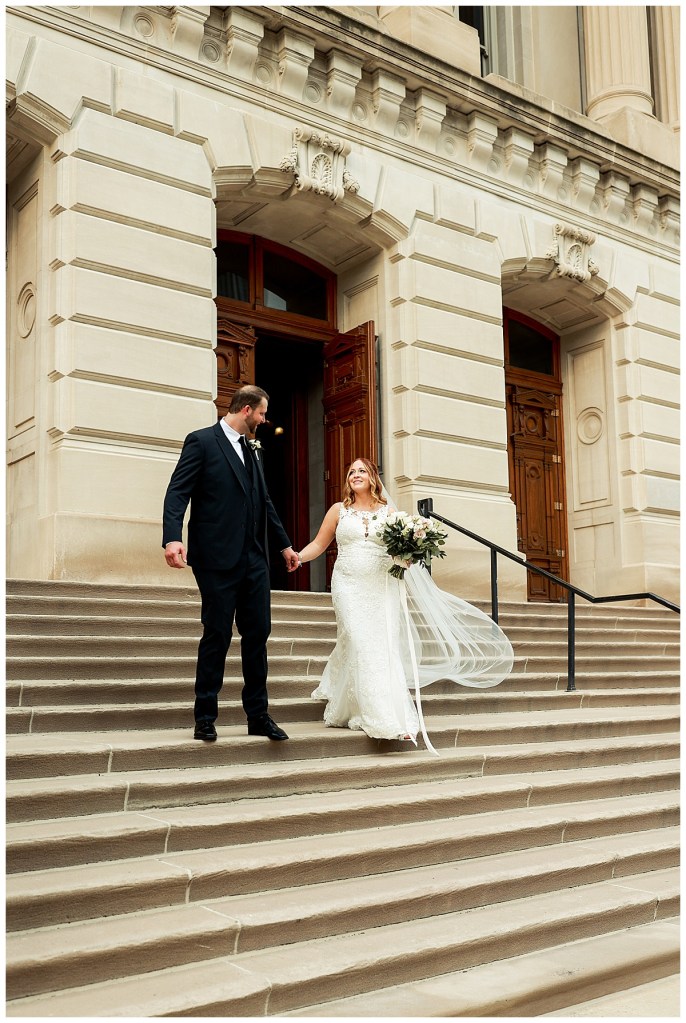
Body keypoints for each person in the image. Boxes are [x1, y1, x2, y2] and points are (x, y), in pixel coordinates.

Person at [296, 458, 514, 750]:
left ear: (373, 478)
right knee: (357, 639)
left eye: (361, 471)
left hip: (381, 584)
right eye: (351, 472)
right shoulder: (338, 510)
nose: (355, 475)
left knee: (380, 645)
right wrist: (299, 557)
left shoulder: (389, 513)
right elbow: (319, 544)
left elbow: (400, 551)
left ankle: (387, 715)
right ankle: (376, 714)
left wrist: (408, 555)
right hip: (347, 584)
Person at [162, 385, 299, 742]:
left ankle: (258, 715)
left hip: (254, 559)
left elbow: (263, 500)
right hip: (216, 558)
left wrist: (284, 545)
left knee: (258, 635)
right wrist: (172, 537)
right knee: (218, 634)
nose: (264, 420)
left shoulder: (253, 449)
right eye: (262, 413)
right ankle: (205, 716)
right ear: (246, 410)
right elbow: (178, 491)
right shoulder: (202, 441)